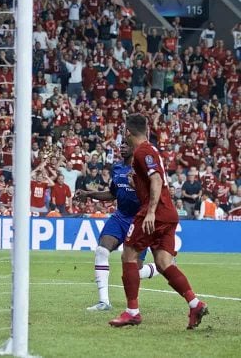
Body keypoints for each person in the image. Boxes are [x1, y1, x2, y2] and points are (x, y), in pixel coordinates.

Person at [109, 114, 207, 329]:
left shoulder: (143, 152)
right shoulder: (149, 151)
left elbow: (157, 179)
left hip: (155, 213)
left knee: (129, 255)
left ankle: (132, 312)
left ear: (127, 132)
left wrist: (151, 212)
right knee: (163, 263)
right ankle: (195, 303)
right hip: (169, 213)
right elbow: (153, 180)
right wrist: (137, 185)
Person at [76, 141, 159, 311]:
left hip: (138, 221)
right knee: (101, 251)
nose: (121, 147)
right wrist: (88, 193)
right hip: (120, 217)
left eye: (126, 145)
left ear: (134, 148)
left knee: (133, 271)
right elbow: (112, 194)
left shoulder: (144, 170)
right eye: (120, 145)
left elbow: (154, 195)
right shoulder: (117, 168)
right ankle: (104, 302)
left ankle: (159, 267)